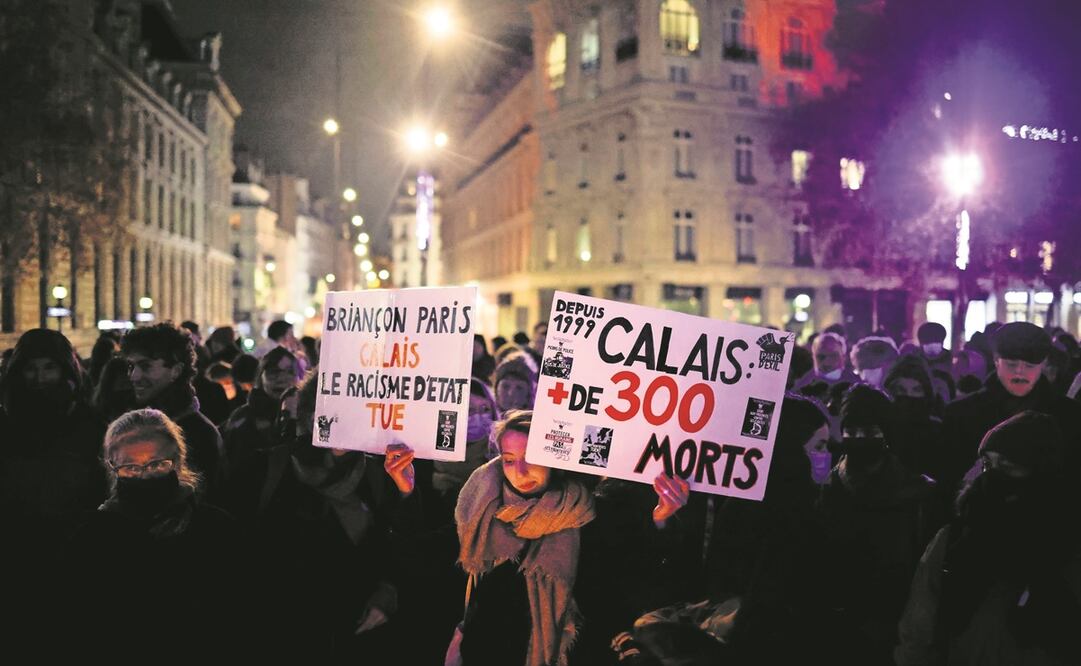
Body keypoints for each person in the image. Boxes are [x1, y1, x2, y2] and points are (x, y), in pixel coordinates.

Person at [385, 410, 688, 666]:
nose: (521, 470)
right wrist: (405, 491)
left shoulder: (591, 513)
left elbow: (637, 583)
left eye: (531, 456)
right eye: (508, 459)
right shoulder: (482, 513)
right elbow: (418, 559)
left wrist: (661, 521)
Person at [895, 411, 1081, 666]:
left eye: (1007, 465)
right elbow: (919, 627)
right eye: (987, 464)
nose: (991, 476)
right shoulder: (955, 538)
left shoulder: (1066, 544)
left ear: (1039, 471)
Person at [59, 409, 242, 659]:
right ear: (113, 467)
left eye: (157, 464)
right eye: (131, 468)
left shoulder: (216, 528)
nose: (145, 475)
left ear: (176, 461)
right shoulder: (93, 536)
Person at [819, 385, 938, 664]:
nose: (860, 440)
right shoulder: (824, 488)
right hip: (833, 622)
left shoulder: (917, 494)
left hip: (891, 624)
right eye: (852, 432)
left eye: (870, 433)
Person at [942, 322, 1081, 493]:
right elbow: (948, 481)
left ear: (1042, 366)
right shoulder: (961, 414)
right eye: (1011, 364)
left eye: (1029, 366)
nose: (1019, 373)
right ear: (996, 362)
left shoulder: (1069, 415)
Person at [121, 323, 225, 496]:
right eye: (131, 366)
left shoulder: (198, 433)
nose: (134, 376)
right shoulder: (132, 424)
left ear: (176, 371)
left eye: (145, 366)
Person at [219, 348, 299, 520]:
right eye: (273, 373)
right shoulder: (243, 417)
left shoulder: (309, 416)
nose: (282, 379)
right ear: (260, 377)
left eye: (290, 372)